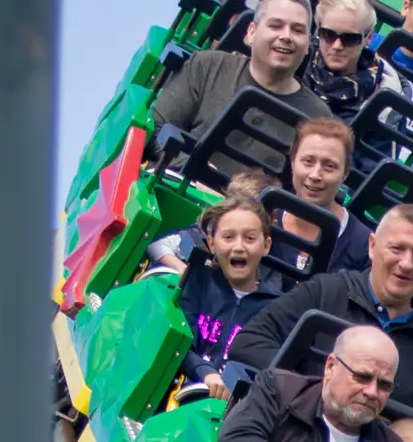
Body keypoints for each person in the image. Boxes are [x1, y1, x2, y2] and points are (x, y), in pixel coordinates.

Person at [225, 202, 413, 408]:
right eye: (397, 249)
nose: (407, 263)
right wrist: (315, 395)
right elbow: (248, 343)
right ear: (372, 246)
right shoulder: (325, 292)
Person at [214, 322, 398, 442]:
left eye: (384, 385)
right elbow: (236, 439)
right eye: (362, 377)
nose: (372, 392)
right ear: (330, 366)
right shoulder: (279, 390)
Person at [148, 0, 318, 143]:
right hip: (179, 175)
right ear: (251, 31)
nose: (285, 36)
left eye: (297, 30)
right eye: (275, 26)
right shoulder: (207, 66)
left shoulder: (313, 115)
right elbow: (155, 132)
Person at [174, 195, 285, 385]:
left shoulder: (277, 309)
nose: (239, 247)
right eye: (228, 237)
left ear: (266, 246)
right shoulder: (198, 280)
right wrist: (205, 372)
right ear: (211, 242)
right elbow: (178, 344)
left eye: (250, 238)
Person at [267, 115, 375, 271]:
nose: (315, 175)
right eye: (308, 161)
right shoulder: (264, 216)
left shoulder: (362, 245)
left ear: (345, 174)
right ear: (292, 162)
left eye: (329, 166)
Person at [305, 0, 383, 119]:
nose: (337, 46)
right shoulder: (293, 62)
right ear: (318, 31)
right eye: (328, 34)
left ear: (369, 38)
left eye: (350, 38)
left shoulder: (383, 95)